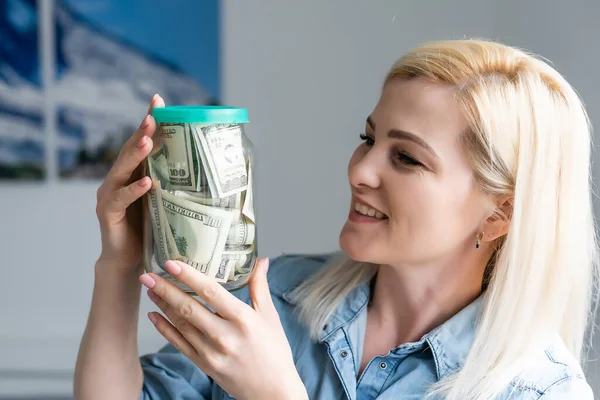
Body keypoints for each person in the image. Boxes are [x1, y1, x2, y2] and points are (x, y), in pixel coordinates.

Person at [73, 39, 599, 400]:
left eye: (407, 158)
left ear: (499, 212)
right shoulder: (274, 297)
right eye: (369, 138)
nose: (360, 170)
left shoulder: (540, 389)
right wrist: (119, 260)